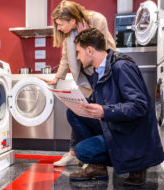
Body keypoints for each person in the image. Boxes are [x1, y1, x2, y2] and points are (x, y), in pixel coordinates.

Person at [67, 27, 164, 186]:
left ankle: (137, 165)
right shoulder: (99, 71)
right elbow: (106, 101)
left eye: (79, 52)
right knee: (73, 112)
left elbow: (139, 106)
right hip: (117, 124)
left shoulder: (121, 66)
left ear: (90, 50)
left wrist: (105, 110)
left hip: (132, 135)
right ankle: (97, 167)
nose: (77, 57)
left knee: (82, 151)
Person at [41, 0, 116, 167]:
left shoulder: (98, 20)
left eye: (61, 24)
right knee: (78, 111)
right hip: (85, 77)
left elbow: (100, 51)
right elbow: (66, 57)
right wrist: (57, 78)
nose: (59, 28)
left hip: (103, 74)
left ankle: (89, 156)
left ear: (73, 20)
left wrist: (86, 35)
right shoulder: (69, 34)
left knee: (94, 114)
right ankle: (78, 154)